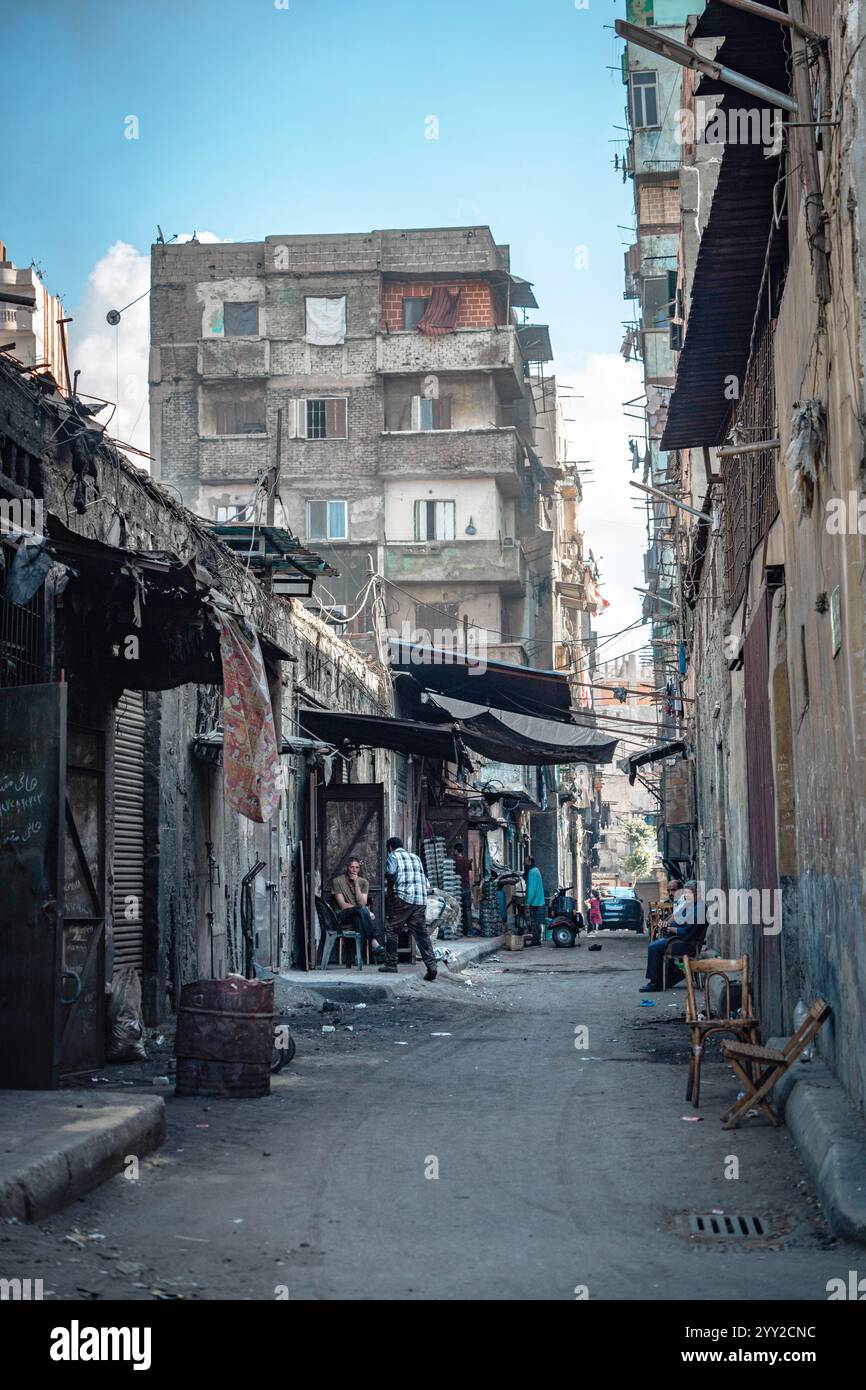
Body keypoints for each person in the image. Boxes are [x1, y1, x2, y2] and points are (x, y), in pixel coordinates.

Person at [380, 836, 438, 981]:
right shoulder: (415, 857)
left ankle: (392, 963)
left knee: (392, 929)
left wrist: (390, 890)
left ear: (390, 847)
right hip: (419, 900)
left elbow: (391, 874)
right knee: (421, 934)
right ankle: (432, 967)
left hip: (403, 899)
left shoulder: (393, 856)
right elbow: (423, 878)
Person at [640, 880, 706, 992]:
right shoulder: (691, 905)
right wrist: (667, 923)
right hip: (680, 939)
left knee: (654, 947)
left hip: (687, 943)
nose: (685, 896)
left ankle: (655, 982)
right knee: (658, 943)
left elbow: (686, 932)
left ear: (697, 893)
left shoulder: (699, 909)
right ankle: (670, 977)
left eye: (688, 893)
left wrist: (669, 928)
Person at [332, 857, 385, 963]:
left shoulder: (363, 882)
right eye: (351, 867)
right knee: (361, 911)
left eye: (357, 867)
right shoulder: (337, 881)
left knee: (358, 918)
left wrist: (356, 884)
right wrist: (365, 911)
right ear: (347, 868)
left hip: (357, 916)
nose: (354, 870)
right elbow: (342, 905)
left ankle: (357, 957)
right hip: (344, 915)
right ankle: (373, 941)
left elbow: (362, 903)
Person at [452, 841, 475, 935]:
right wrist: (471, 887)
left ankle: (458, 931)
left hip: (457, 888)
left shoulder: (453, 861)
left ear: (456, 851)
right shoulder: (467, 861)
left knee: (457, 909)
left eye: (454, 850)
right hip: (466, 887)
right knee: (468, 910)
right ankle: (469, 931)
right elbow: (471, 876)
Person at [524, 856, 546, 946]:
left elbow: (531, 889)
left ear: (529, 862)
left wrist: (528, 903)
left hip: (535, 902)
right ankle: (537, 940)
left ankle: (535, 941)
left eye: (525, 862)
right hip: (539, 901)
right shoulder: (536, 870)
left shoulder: (532, 872)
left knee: (534, 923)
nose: (524, 864)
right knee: (537, 923)